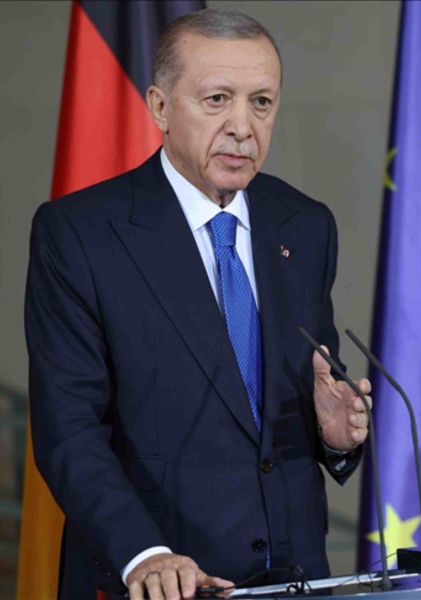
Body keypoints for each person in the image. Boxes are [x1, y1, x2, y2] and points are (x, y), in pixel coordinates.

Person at [25, 9, 371, 600]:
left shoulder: (305, 225)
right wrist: (145, 555)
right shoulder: (81, 233)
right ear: (160, 107)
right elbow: (69, 430)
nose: (242, 126)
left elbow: (297, 397)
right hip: (162, 581)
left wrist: (332, 435)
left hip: (296, 579)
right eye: (217, 99)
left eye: (261, 103)